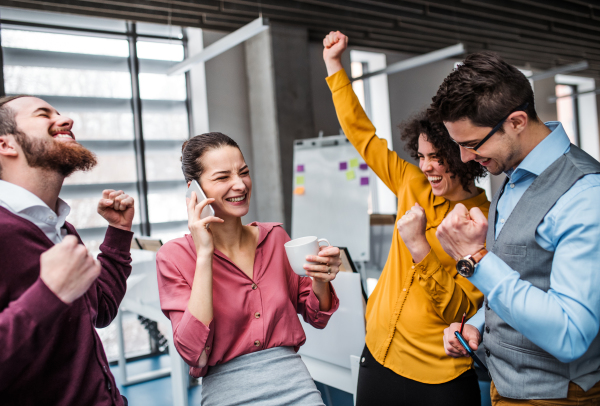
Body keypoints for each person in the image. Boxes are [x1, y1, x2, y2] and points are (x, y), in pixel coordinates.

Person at [322, 31, 489, 405]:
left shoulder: (484, 219)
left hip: (438, 374)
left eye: (437, 157)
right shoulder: (411, 182)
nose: (427, 166)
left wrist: (419, 247)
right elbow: (363, 136)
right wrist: (335, 66)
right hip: (378, 352)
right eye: (422, 155)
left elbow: (461, 309)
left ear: (463, 155)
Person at [433, 51, 600, 405]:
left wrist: (474, 257)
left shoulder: (586, 195)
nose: (464, 159)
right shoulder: (511, 174)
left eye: (471, 144)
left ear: (517, 122)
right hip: (504, 385)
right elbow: (524, 278)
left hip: (558, 396)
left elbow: (570, 335)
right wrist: (478, 323)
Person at [156, 132, 341, 406]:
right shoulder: (174, 257)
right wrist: (205, 253)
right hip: (227, 393)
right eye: (222, 178)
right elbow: (193, 352)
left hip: (296, 386)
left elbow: (317, 317)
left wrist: (321, 278)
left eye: (243, 172)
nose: (240, 185)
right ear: (193, 189)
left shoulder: (276, 238)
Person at [0, 95, 135, 405]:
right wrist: (49, 295)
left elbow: (99, 310)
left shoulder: (58, 227)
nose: (66, 120)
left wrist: (118, 232)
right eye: (43, 114)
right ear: (6, 144)